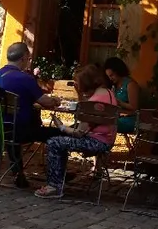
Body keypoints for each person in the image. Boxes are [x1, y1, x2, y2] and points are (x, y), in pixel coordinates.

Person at [35, 64, 117, 199]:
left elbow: (79, 133)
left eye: (78, 83)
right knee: (61, 140)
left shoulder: (92, 103)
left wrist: (61, 126)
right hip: (106, 139)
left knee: (54, 142)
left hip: (95, 142)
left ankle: (54, 186)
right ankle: (59, 180)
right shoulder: (108, 93)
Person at [0, 42, 62, 188]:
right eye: (28, 59)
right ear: (23, 58)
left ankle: (18, 173)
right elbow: (45, 102)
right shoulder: (25, 79)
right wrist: (55, 100)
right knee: (58, 134)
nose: (28, 62)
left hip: (0, 128)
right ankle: (58, 174)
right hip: (22, 131)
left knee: (12, 129)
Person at [103, 57, 139, 135]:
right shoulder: (114, 85)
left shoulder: (130, 85)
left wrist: (119, 102)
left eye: (111, 75)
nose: (110, 78)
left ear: (118, 71)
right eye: (108, 76)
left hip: (129, 119)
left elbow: (134, 107)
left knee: (103, 124)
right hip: (117, 116)